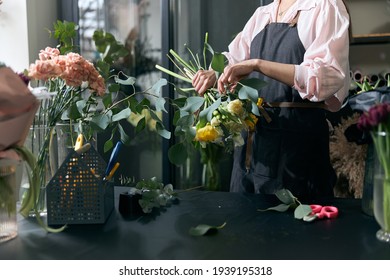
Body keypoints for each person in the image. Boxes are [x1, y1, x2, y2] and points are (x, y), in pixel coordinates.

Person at [192, 0, 350, 202]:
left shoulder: (324, 6)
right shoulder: (263, 14)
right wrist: (215, 74)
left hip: (297, 147)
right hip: (252, 148)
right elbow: (235, 58)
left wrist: (258, 65)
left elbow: (324, 78)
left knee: (296, 225)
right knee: (244, 223)